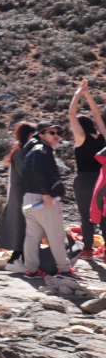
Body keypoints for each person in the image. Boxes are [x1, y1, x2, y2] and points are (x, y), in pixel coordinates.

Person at [12, 119, 72, 276]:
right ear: (41, 134)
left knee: (32, 236)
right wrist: (46, 193)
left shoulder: (31, 150)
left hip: (29, 199)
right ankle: (64, 269)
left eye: (58, 133)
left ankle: (31, 269)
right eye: (52, 133)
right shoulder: (42, 150)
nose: (56, 136)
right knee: (56, 235)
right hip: (43, 200)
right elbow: (37, 172)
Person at [72, 82, 106, 263]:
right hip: (104, 179)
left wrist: (77, 95)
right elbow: (97, 115)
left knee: (86, 215)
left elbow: (71, 116)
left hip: (85, 179)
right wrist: (88, 95)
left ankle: (87, 249)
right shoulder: (103, 136)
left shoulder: (80, 138)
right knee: (105, 214)